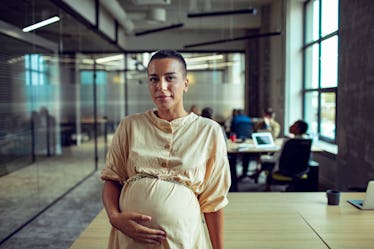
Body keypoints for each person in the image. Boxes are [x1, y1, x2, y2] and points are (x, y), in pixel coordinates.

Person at [101, 50, 231, 249]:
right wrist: (114, 217)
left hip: (182, 237)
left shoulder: (209, 131)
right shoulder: (130, 125)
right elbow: (112, 178)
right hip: (130, 239)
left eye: (170, 78)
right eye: (154, 79)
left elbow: (214, 201)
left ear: (185, 84)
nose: (161, 87)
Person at [251, 119, 310, 185]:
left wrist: (262, 158)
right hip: (301, 170)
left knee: (265, 162)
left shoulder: (289, 142)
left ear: (298, 129)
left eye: (293, 125)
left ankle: (266, 185)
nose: (290, 126)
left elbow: (274, 159)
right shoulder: (307, 141)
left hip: (284, 170)